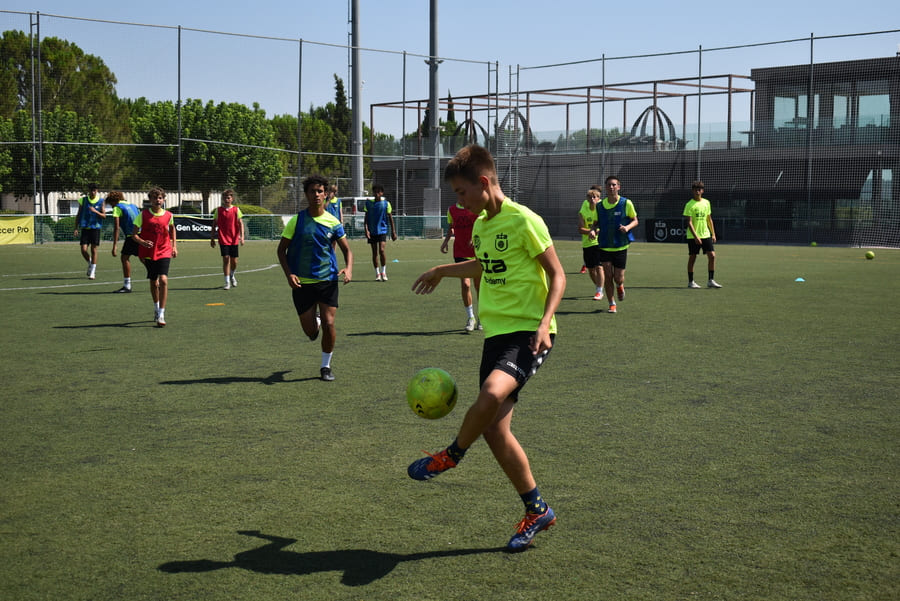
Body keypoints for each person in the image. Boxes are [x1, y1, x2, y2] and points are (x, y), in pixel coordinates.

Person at [409, 145, 566, 553]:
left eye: (461, 192)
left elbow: (558, 274)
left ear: (483, 183)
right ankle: (537, 510)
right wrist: (444, 270)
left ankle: (452, 455)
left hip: (530, 333)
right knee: (495, 431)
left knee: (491, 394)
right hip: (495, 336)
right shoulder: (480, 225)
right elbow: (483, 264)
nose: (457, 201)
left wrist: (546, 323)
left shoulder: (525, 220)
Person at [276, 175, 353, 382]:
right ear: (306, 194)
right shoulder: (297, 221)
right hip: (302, 284)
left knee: (330, 324)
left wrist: (349, 268)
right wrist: (289, 274)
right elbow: (281, 250)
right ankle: (315, 322)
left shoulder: (332, 221)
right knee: (311, 332)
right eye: (312, 191)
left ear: (325, 194)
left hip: (327, 280)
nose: (317, 195)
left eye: (320, 191)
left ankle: (325, 366)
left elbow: (347, 250)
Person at [132, 187, 177, 327]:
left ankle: (162, 314)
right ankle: (156, 307)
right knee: (153, 281)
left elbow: (172, 229)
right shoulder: (143, 215)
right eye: (154, 198)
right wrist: (142, 242)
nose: (157, 200)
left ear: (163, 200)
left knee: (163, 279)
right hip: (149, 253)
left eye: (160, 198)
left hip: (164, 250)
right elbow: (134, 234)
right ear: (150, 200)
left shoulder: (169, 215)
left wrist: (174, 246)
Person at [596, 175, 638, 313]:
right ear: (606, 187)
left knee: (618, 278)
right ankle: (611, 303)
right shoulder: (600, 206)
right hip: (604, 245)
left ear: (618, 187)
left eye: (614, 185)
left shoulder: (626, 203)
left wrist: (627, 228)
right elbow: (597, 223)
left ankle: (620, 286)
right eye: (609, 185)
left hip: (620, 245)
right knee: (608, 276)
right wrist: (592, 230)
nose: (611, 187)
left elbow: (635, 220)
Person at [440, 200, 482, 331]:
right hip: (460, 251)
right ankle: (471, 318)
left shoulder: (475, 207)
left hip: (477, 252)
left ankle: (482, 316)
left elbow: (482, 225)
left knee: (479, 286)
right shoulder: (451, 210)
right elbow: (451, 227)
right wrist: (445, 242)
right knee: (465, 284)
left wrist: (475, 237)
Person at [684, 180, 722, 289]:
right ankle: (691, 282)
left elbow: (709, 219)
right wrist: (696, 236)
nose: (697, 191)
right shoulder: (689, 205)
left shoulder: (706, 202)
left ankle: (711, 280)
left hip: (706, 234)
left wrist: (713, 234)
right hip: (693, 236)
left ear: (702, 191)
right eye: (695, 189)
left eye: (699, 189)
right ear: (693, 191)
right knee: (693, 257)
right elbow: (689, 222)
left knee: (712, 256)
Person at [107, 191, 141, 293]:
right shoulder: (133, 206)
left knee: (124, 257)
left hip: (131, 236)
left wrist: (114, 246)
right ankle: (157, 279)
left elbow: (116, 227)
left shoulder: (117, 207)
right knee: (144, 258)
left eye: (111, 203)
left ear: (114, 201)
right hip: (141, 234)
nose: (111, 206)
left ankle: (127, 286)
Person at [210, 189, 245, 290]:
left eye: (228, 197)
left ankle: (232, 274)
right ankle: (227, 282)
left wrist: (242, 237)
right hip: (223, 239)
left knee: (234, 261)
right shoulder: (219, 210)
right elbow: (214, 224)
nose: (227, 199)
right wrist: (212, 238)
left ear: (232, 199)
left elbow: (240, 224)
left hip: (234, 239)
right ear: (223, 199)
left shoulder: (236, 210)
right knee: (226, 258)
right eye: (225, 197)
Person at [577, 187, 605, 301]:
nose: (593, 199)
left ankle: (599, 291)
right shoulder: (583, 211)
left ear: (599, 199)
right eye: (590, 197)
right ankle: (599, 286)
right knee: (591, 269)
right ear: (587, 199)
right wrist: (590, 231)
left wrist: (596, 231)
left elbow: (603, 225)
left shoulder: (601, 210)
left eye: (595, 197)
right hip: (587, 243)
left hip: (599, 242)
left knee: (599, 267)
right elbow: (580, 229)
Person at [364, 184, 396, 281]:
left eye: (379, 192)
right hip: (372, 231)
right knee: (374, 252)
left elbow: (390, 218)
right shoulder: (369, 203)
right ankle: (377, 273)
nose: (377, 193)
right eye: (375, 192)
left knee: (381, 250)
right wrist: (366, 230)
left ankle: (384, 272)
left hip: (382, 230)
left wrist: (393, 232)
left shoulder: (386, 203)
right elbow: (366, 218)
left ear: (382, 193)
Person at [74, 183, 105, 280]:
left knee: (93, 250)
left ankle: (93, 272)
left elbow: (104, 216)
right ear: (89, 191)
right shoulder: (83, 200)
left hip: (95, 228)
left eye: (94, 190)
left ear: (97, 191)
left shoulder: (101, 201)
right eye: (91, 190)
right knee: (83, 250)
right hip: (85, 228)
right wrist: (76, 227)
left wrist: (95, 211)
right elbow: (78, 214)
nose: (93, 192)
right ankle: (90, 263)